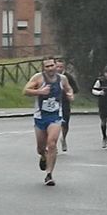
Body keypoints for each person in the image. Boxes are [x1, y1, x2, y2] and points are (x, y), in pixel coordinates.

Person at [23, 57, 75, 186]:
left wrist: (70, 95)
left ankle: (49, 174)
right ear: (43, 68)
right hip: (40, 117)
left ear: (56, 66)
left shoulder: (62, 79)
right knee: (41, 148)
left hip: (55, 116)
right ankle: (43, 156)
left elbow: (69, 89)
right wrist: (40, 91)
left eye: (52, 66)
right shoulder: (38, 78)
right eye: (47, 66)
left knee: (52, 144)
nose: (51, 68)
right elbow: (25, 91)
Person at [55, 58, 79, 152]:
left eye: (61, 67)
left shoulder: (68, 77)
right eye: (57, 66)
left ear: (64, 67)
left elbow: (75, 89)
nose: (59, 69)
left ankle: (63, 138)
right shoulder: (51, 77)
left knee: (65, 124)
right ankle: (54, 144)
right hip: (55, 103)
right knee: (55, 124)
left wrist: (69, 93)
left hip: (65, 102)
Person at [92, 65, 107, 148]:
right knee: (103, 122)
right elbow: (93, 90)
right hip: (103, 103)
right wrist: (99, 93)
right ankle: (104, 137)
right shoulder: (100, 81)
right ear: (104, 73)